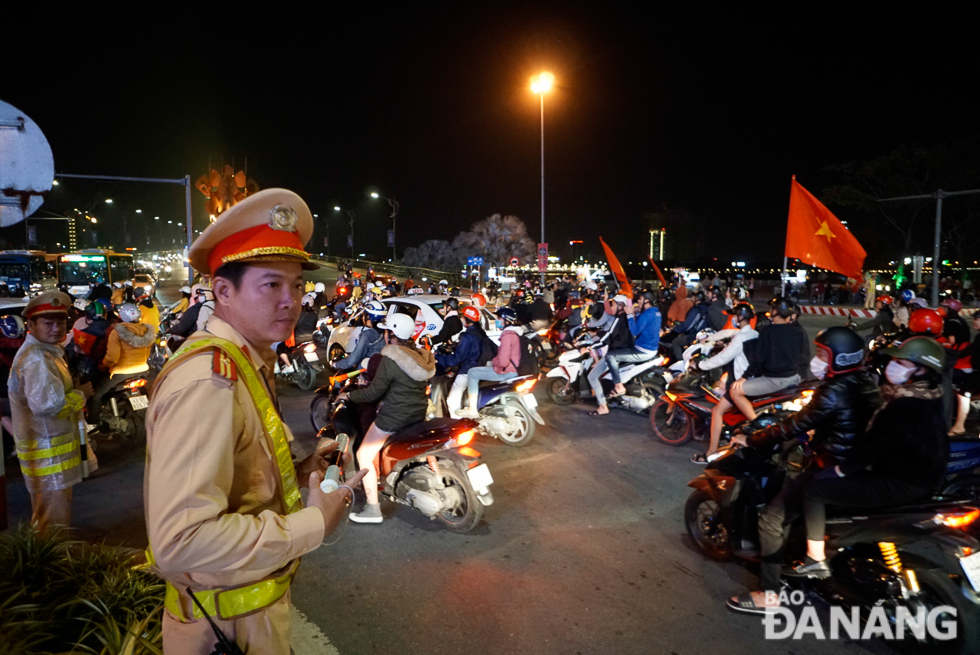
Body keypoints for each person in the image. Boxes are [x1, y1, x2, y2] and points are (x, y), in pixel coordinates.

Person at [145, 189, 365, 653]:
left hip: (244, 615)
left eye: (298, 285)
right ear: (223, 291)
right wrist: (313, 525)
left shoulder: (246, 361)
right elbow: (180, 540)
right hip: (224, 632)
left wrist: (302, 470)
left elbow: (241, 478)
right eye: (271, 285)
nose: (292, 301)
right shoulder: (209, 380)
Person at [727, 326, 880, 614]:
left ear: (842, 359)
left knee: (771, 519)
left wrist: (750, 438)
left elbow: (791, 427)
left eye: (823, 353)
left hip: (830, 467)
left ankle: (769, 595)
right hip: (860, 465)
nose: (817, 358)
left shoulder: (832, 391)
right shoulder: (866, 382)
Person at [781, 336, 950, 582]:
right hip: (925, 478)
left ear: (921, 369)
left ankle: (815, 560)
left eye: (900, 362)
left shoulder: (904, 404)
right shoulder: (932, 395)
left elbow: (874, 446)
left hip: (899, 482)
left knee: (814, 490)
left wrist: (840, 470)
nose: (892, 365)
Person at [8, 291, 94, 532]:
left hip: (48, 456)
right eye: (48, 323)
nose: (56, 328)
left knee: (46, 517)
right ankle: (52, 568)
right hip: (48, 458)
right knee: (52, 524)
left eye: (61, 323)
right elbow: (49, 406)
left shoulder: (46, 352)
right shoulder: (37, 359)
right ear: (31, 325)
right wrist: (82, 395)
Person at [340, 312, 435, 523]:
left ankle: (373, 509)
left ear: (390, 333)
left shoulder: (390, 358)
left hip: (394, 416)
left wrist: (349, 394)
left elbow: (373, 393)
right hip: (418, 412)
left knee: (364, 454)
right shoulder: (420, 356)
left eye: (387, 331)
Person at [692, 302, 759, 463]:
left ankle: (711, 453)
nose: (733, 318)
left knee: (717, 411)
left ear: (741, 317)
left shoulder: (740, 338)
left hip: (739, 382)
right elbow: (728, 332)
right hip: (753, 379)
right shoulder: (754, 334)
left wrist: (700, 365)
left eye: (734, 316)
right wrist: (709, 338)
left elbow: (723, 358)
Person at [729, 299, 809, 422]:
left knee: (735, 391)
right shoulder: (798, 331)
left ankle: (756, 426)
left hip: (775, 380)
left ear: (775, 312)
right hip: (794, 377)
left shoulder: (768, 331)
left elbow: (758, 359)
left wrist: (744, 377)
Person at [462, 307, 523, 417]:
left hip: (508, 371)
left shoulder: (507, 335)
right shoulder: (517, 333)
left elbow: (503, 362)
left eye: (499, 318)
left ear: (507, 321)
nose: (497, 320)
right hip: (517, 369)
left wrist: (494, 361)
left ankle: (472, 409)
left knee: (472, 373)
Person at [435, 305, 492, 418]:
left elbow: (457, 359)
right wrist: (455, 345)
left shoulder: (467, 336)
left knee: (452, 400)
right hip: (481, 366)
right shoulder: (479, 333)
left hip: (468, 370)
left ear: (467, 319)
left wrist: (438, 358)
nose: (461, 319)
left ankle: (457, 424)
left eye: (462, 316)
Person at [585, 294, 635, 416]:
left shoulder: (619, 319)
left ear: (620, 306)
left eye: (613, 304)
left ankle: (602, 406)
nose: (611, 307)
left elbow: (608, 336)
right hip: (625, 351)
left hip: (615, 352)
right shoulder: (628, 318)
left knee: (592, 376)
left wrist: (591, 346)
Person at [606, 291, 662, 398]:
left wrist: (629, 315)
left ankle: (618, 386)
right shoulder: (656, 312)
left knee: (610, 356)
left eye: (640, 299)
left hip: (642, 350)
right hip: (651, 349)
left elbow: (635, 331)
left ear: (646, 301)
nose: (638, 302)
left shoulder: (647, 314)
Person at [333, 300, 387, 370]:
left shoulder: (367, 335)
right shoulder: (386, 332)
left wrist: (336, 364)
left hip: (367, 370)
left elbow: (352, 360)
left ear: (368, 317)